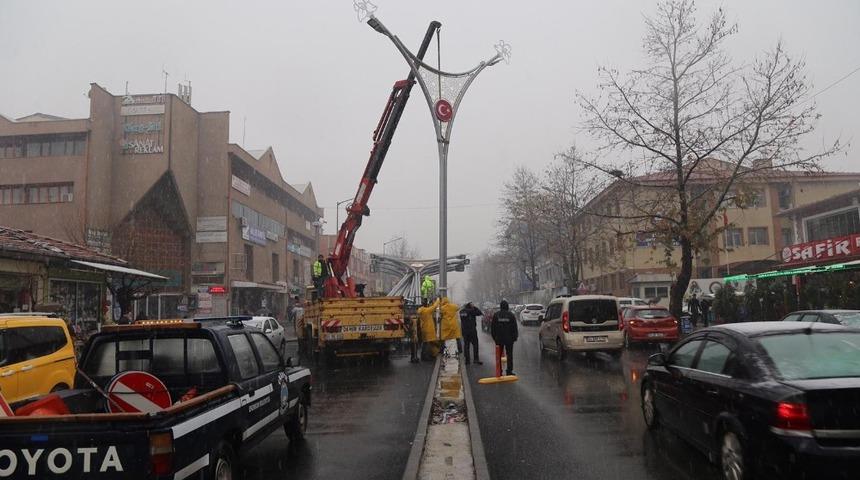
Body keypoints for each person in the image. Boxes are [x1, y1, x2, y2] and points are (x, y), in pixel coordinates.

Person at [491, 300, 518, 376]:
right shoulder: (511, 315)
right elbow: (514, 328)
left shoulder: (496, 315)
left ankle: (499, 371)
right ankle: (509, 371)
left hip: (499, 339)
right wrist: (514, 337)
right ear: (507, 306)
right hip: (509, 339)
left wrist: (494, 338)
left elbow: (493, 328)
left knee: (498, 356)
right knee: (509, 355)